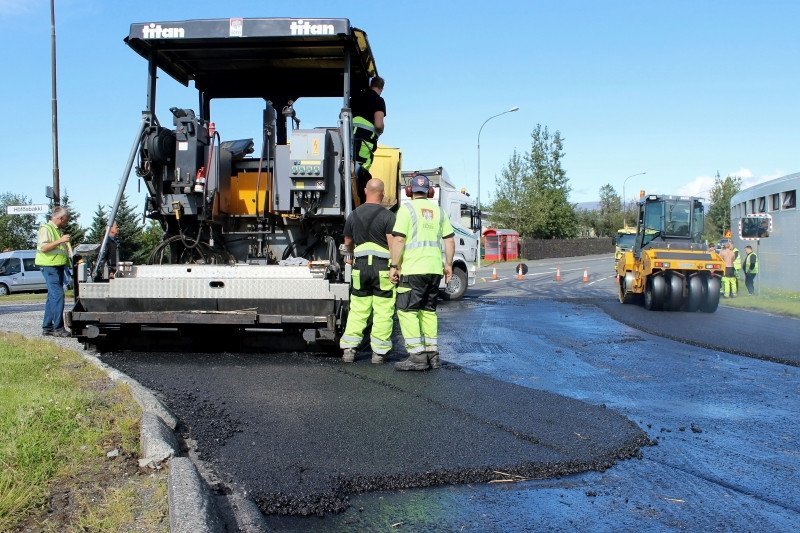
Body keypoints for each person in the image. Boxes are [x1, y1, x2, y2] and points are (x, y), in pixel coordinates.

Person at [390, 174, 455, 371]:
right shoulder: (439, 211)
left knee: (407, 310)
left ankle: (417, 357)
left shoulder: (406, 210)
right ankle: (432, 355)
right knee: (428, 311)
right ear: (430, 191)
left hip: (413, 269)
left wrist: (394, 265)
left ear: (409, 191)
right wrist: (449, 265)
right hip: (434, 270)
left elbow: (399, 240)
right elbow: (450, 240)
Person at [339, 179, 397, 363]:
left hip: (360, 268)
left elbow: (348, 242)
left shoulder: (353, 215)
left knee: (358, 309)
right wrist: (396, 266)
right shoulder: (388, 216)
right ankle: (378, 353)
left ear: (366, 191)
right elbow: (392, 243)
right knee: (383, 310)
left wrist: (350, 255)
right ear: (383, 193)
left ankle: (349, 349)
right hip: (382, 269)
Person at [35, 206, 71, 337]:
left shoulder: (56, 230)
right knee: (58, 295)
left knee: (52, 297)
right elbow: (43, 247)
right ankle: (58, 328)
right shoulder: (46, 228)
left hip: (56, 266)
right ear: (60, 218)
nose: (65, 223)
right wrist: (60, 241)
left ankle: (47, 327)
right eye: (65, 220)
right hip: (49, 266)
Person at [350, 76, 386, 204]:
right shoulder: (378, 100)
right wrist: (381, 129)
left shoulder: (355, 98)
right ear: (381, 88)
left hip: (348, 139)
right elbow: (378, 124)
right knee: (361, 172)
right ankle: (358, 202)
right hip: (364, 141)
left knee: (347, 167)